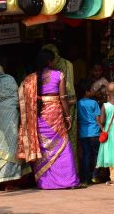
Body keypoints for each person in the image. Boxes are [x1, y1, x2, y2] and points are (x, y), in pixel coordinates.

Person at [18, 49, 79, 189]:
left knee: (44, 148)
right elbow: (63, 98)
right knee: (62, 146)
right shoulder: (58, 75)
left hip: (39, 114)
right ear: (50, 62)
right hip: (55, 113)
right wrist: (68, 116)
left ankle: (46, 183)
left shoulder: (31, 78)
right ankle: (68, 181)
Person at [0, 59, 30, 191]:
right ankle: (9, 183)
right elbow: (17, 99)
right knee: (10, 149)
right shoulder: (9, 79)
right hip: (10, 120)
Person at [76, 79, 101, 186]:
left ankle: (85, 179)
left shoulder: (78, 103)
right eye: (91, 90)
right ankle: (95, 176)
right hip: (94, 133)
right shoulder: (94, 103)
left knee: (86, 155)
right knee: (96, 154)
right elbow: (98, 118)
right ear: (86, 92)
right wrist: (103, 129)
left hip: (83, 133)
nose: (93, 92)